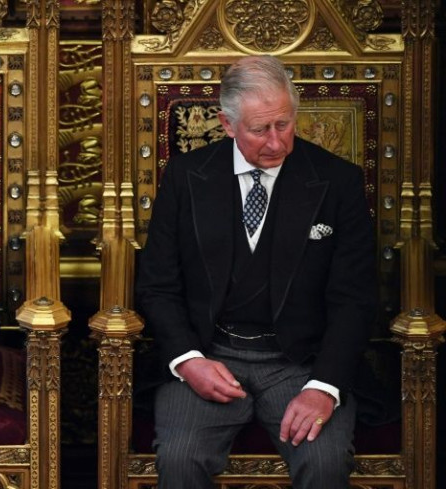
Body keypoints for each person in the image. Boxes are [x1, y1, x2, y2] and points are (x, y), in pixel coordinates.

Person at [135, 55, 377, 488]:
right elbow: (157, 285)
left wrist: (323, 387)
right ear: (228, 125)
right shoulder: (187, 176)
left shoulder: (338, 182)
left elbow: (354, 298)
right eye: (259, 129)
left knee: (323, 464)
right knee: (181, 458)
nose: (276, 143)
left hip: (301, 363)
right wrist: (188, 361)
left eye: (284, 124)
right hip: (210, 353)